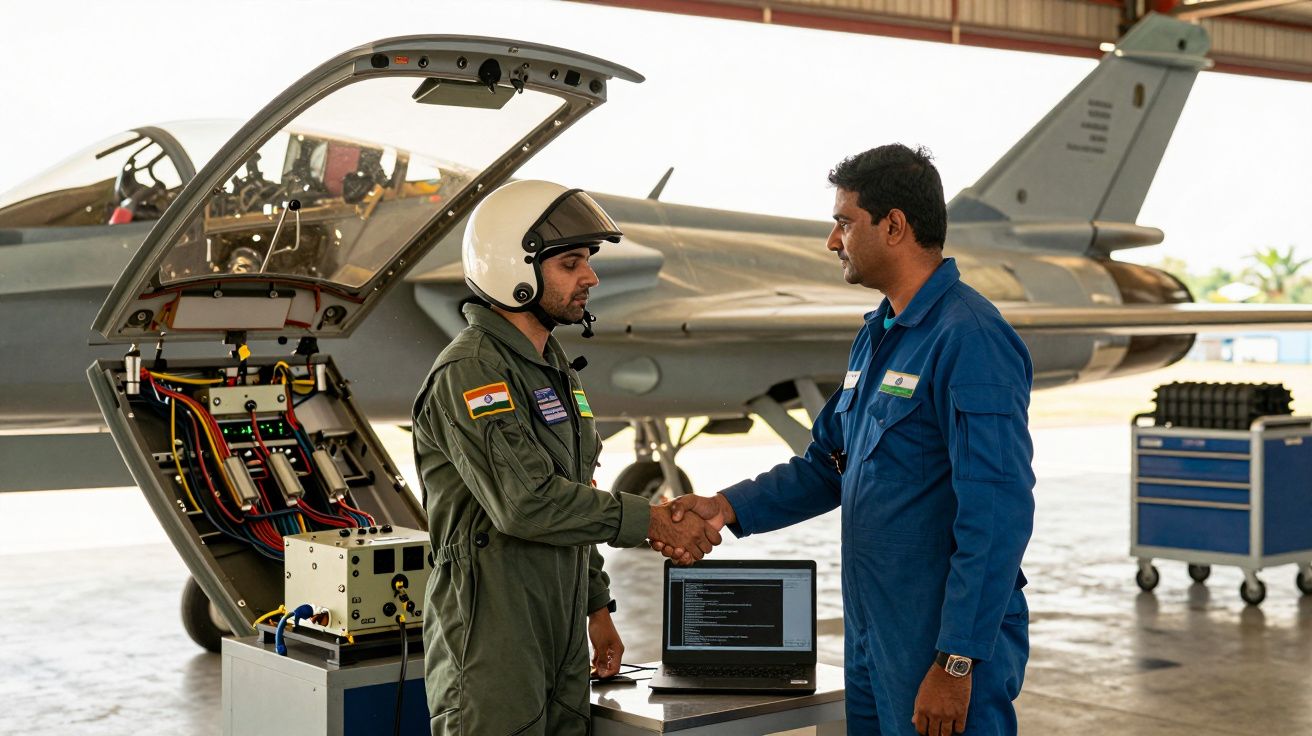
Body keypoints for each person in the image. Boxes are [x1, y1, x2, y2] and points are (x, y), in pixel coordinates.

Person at [660, 145, 1035, 735]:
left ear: (893, 226)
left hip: (938, 644)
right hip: (874, 634)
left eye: (843, 223)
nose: (833, 242)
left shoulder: (970, 340)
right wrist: (724, 508)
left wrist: (956, 661)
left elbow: (997, 514)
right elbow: (827, 464)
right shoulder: (879, 335)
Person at [412, 180, 719, 736]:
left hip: (559, 639)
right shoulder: (472, 371)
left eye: (588, 262)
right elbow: (527, 504)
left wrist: (597, 611)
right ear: (516, 271)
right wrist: (648, 518)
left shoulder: (552, 367)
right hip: (492, 648)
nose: (591, 278)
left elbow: (571, 496)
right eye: (571, 263)